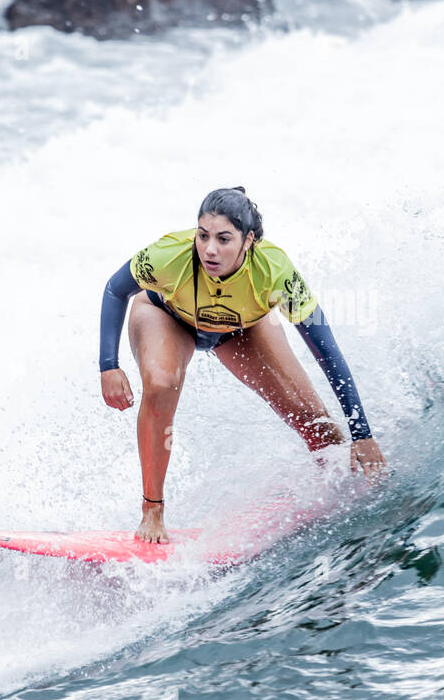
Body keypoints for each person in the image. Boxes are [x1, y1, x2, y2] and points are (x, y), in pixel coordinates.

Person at [99, 186, 388, 543]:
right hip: (166, 316)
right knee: (160, 382)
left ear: (248, 240)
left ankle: (345, 494)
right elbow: (115, 289)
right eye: (203, 236)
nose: (209, 249)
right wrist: (108, 365)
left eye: (223, 239)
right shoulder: (168, 254)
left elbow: (326, 351)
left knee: (318, 427)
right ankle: (152, 512)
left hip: (239, 330)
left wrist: (363, 435)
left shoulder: (275, 272)